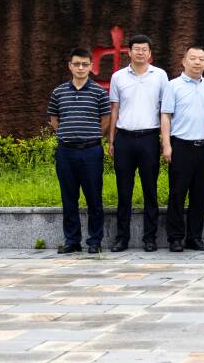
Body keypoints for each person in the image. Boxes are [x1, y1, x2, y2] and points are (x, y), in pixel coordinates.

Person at [108, 33, 169, 252]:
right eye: (137, 49)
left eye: (144, 49)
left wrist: (164, 140)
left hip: (149, 138)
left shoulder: (160, 75)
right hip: (124, 138)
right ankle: (122, 238)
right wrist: (111, 140)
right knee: (124, 191)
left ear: (150, 53)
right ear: (129, 52)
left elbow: (165, 110)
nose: (140, 53)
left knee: (150, 190)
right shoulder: (118, 77)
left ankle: (150, 238)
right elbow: (114, 110)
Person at [47, 47, 111, 254]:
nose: (80, 68)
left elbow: (105, 120)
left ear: (91, 66)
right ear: (70, 66)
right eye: (77, 64)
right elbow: (54, 120)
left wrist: (92, 136)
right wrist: (67, 134)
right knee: (69, 198)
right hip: (66, 152)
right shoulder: (58, 92)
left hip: (91, 151)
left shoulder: (99, 92)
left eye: (85, 64)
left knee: (94, 198)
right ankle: (72, 240)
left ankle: (94, 241)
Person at [161, 45, 204, 252]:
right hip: (181, 146)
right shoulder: (173, 85)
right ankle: (175, 238)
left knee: (200, 194)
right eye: (193, 58)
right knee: (177, 193)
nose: (197, 62)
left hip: (203, 147)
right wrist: (166, 145)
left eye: (201, 59)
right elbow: (166, 115)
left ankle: (194, 237)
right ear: (184, 61)